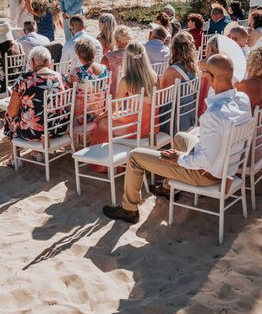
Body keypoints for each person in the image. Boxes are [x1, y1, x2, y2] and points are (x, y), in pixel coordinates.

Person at [102, 54, 252, 223]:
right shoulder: (243, 99)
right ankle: (167, 189)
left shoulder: (214, 115)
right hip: (225, 167)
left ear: (210, 77)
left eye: (205, 72)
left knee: (135, 156)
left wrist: (179, 159)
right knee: (180, 137)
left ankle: (129, 209)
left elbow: (203, 160)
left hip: (205, 174)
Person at [90, 42, 157, 172]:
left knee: (102, 123)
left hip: (135, 127)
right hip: (151, 124)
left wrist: (104, 114)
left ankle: (105, 165)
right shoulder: (153, 75)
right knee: (105, 120)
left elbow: (116, 107)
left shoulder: (126, 80)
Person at [3, 46, 67, 163]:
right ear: (48, 62)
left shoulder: (25, 79)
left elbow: (12, 112)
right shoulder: (60, 77)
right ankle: (37, 152)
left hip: (35, 133)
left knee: (9, 116)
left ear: (32, 63)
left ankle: (15, 157)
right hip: (59, 128)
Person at [159, 31, 199, 132]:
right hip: (188, 118)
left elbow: (161, 100)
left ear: (174, 48)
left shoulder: (172, 71)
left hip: (172, 121)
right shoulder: (194, 69)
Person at [68, 37, 110, 127]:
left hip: (82, 115)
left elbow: (69, 91)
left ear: (79, 56)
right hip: (99, 110)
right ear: (94, 54)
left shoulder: (76, 72)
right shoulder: (104, 69)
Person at [101, 25, 132, 97]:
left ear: (116, 40)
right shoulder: (134, 56)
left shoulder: (107, 57)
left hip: (111, 96)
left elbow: (101, 79)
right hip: (130, 96)